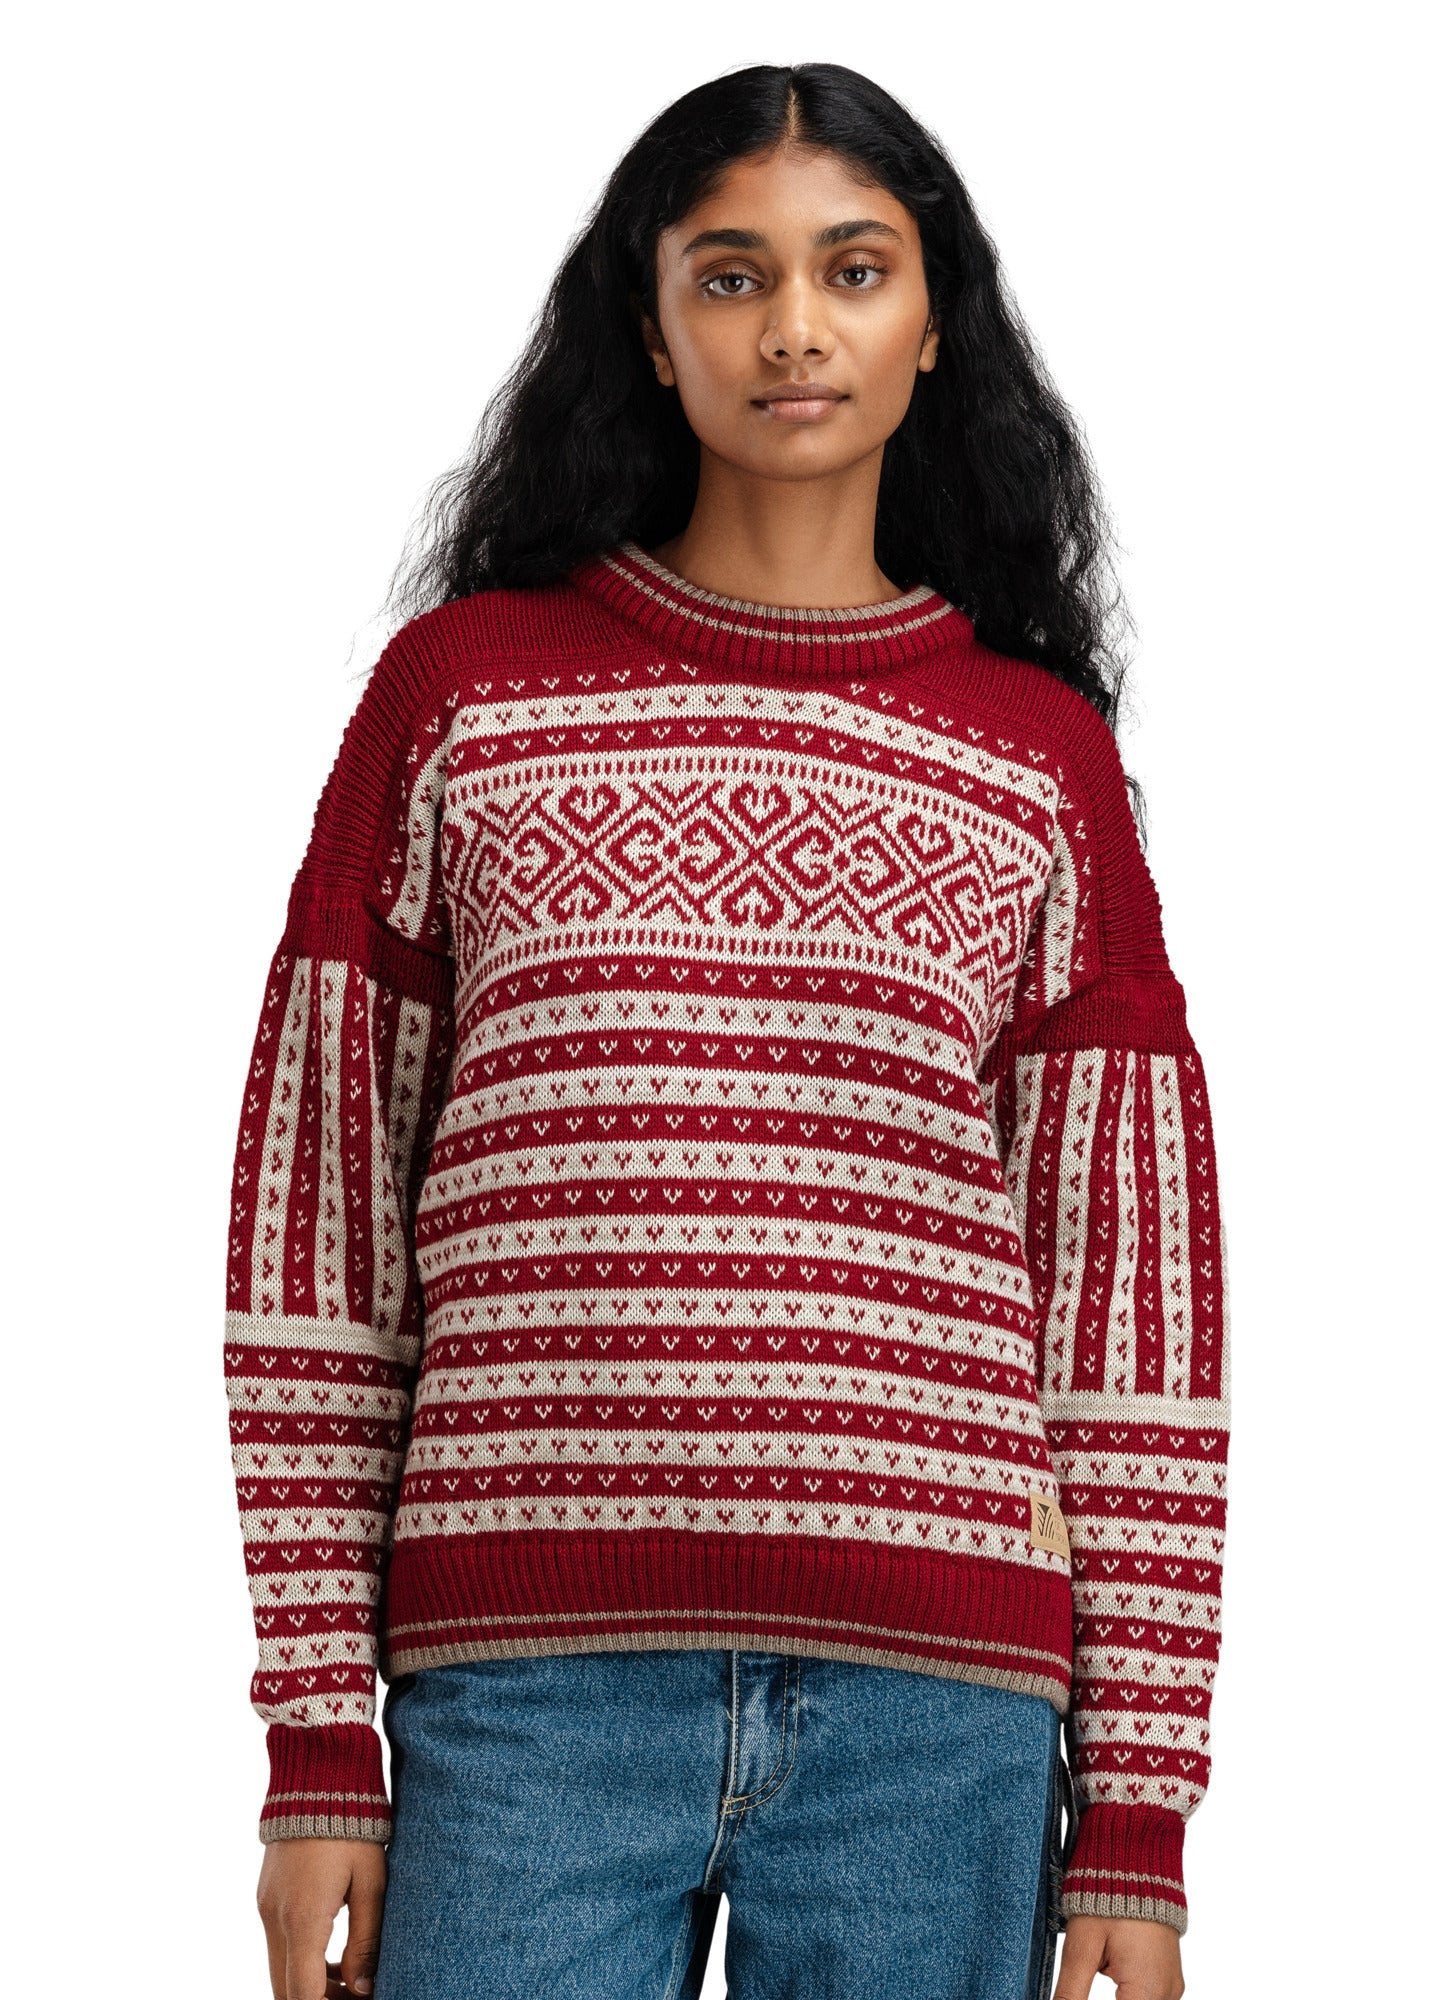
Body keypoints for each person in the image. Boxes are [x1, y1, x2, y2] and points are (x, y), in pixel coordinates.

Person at [223, 61, 1228, 2000]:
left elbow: (1128, 1310)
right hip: (524, 1695)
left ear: (930, 321)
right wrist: (315, 1737)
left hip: (937, 1712)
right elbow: (320, 1237)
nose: (791, 329)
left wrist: (1139, 1809)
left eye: (851, 269)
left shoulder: (1036, 760)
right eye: (730, 273)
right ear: (648, 322)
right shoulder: (458, 699)